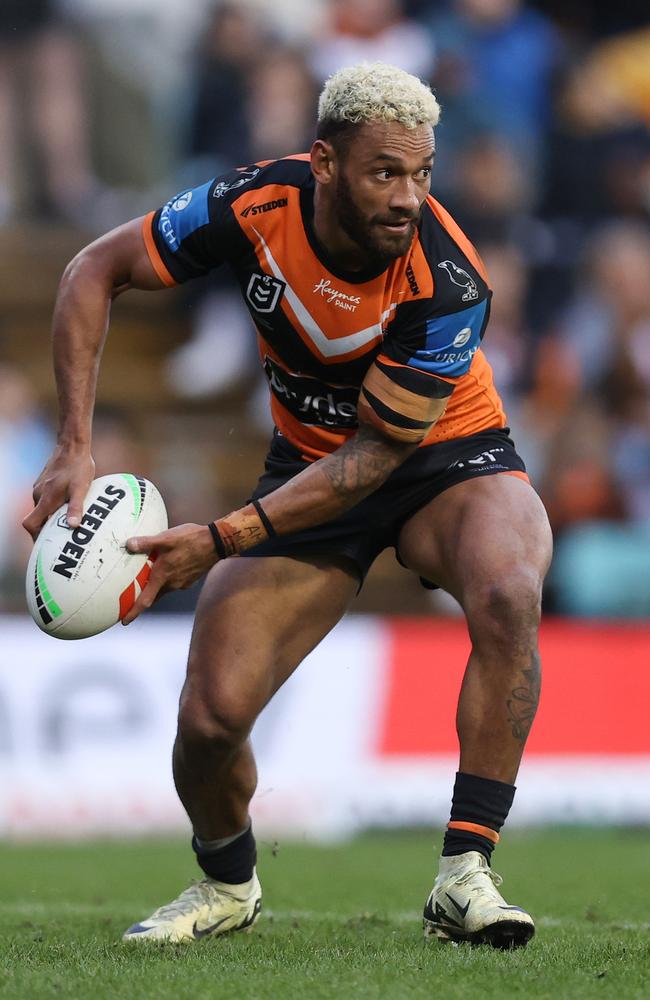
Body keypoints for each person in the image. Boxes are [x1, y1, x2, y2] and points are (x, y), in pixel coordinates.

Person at [24, 63, 552, 949]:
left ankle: (466, 873)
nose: (408, 198)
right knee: (209, 719)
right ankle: (228, 886)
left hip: (446, 458)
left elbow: (377, 459)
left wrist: (222, 536)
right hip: (309, 465)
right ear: (325, 163)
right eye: (386, 172)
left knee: (508, 591)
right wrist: (73, 442)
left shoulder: (451, 281)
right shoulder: (251, 205)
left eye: (423, 174)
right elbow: (91, 271)